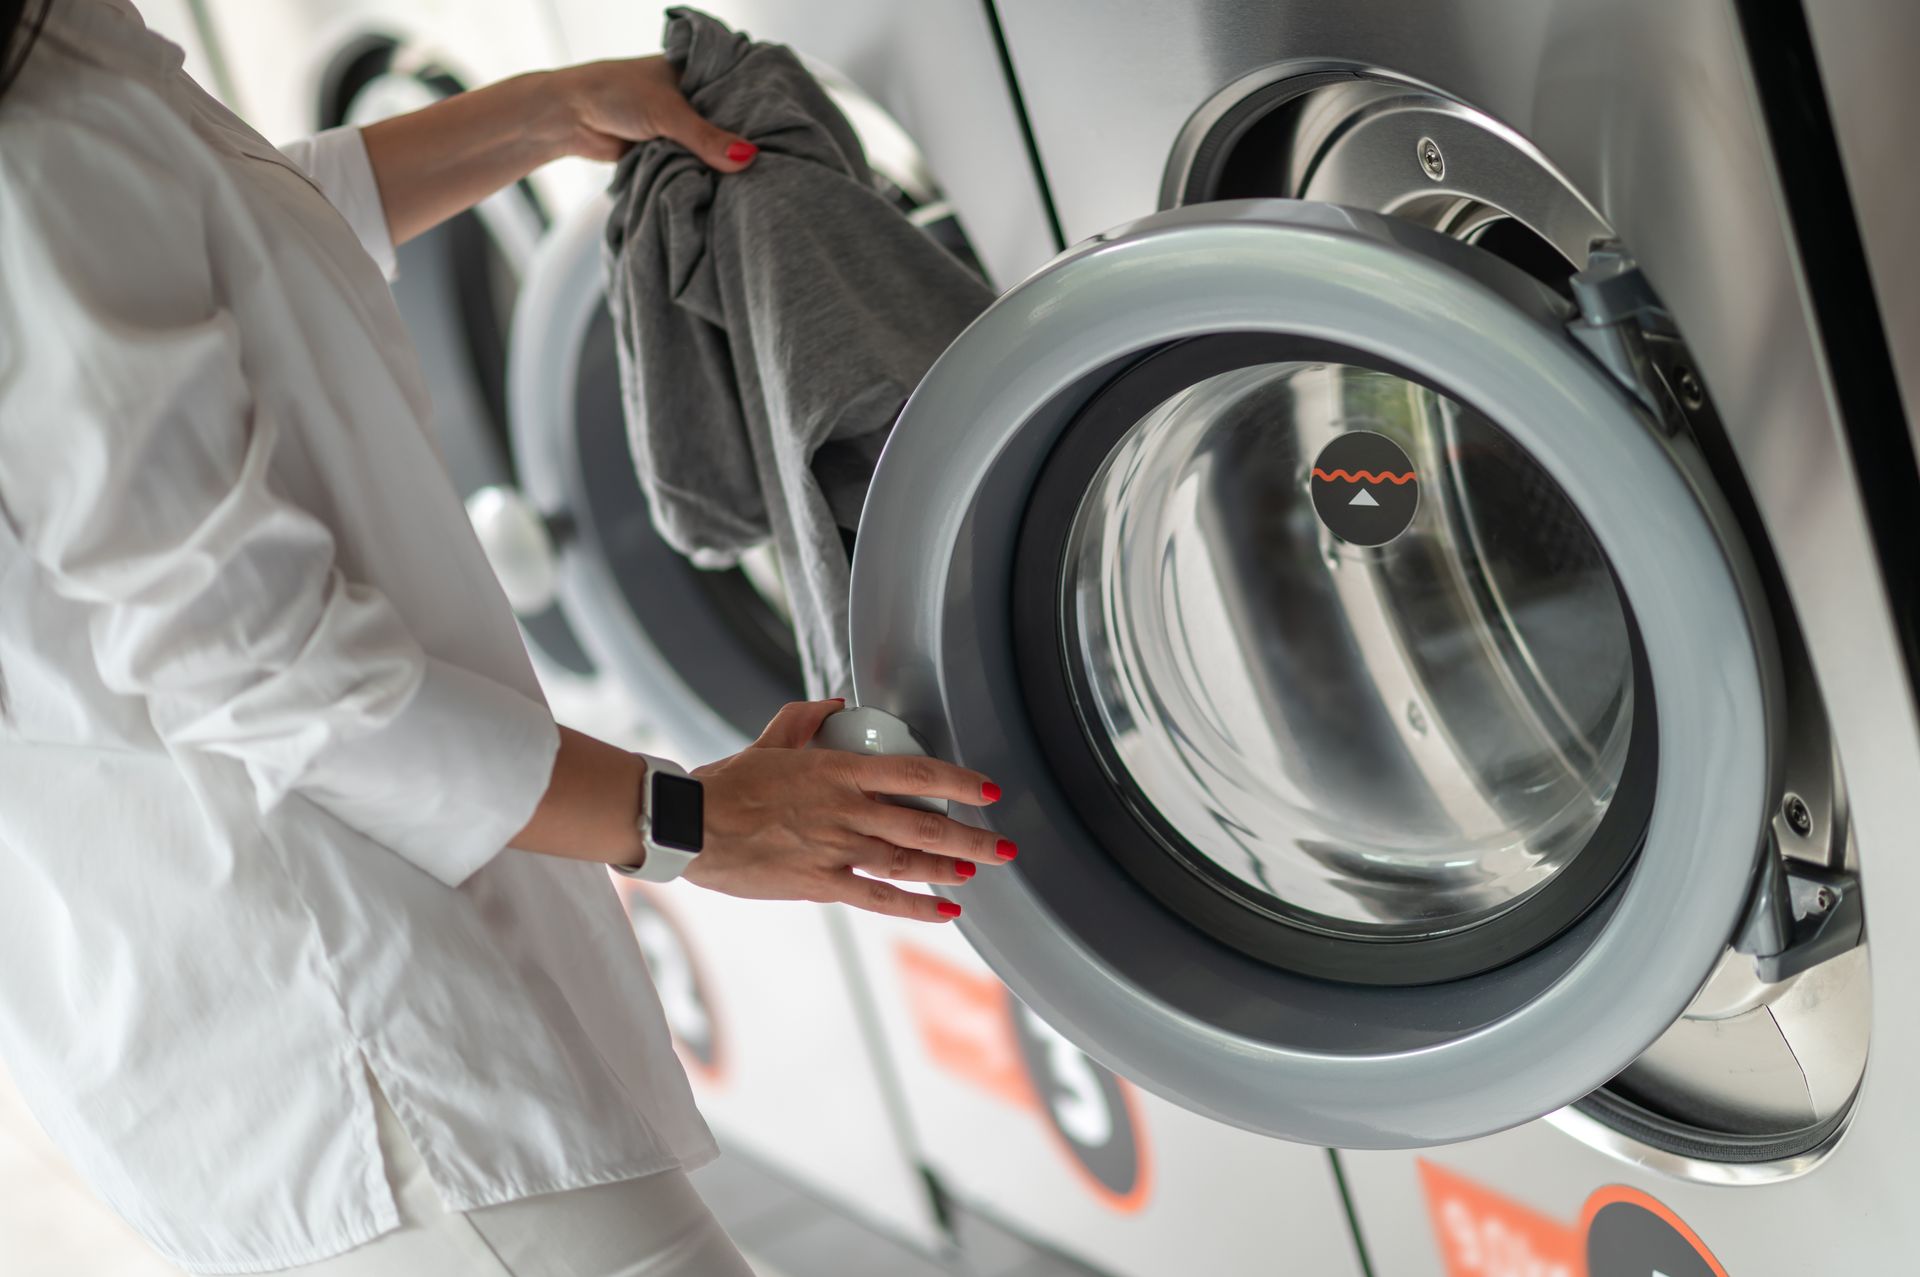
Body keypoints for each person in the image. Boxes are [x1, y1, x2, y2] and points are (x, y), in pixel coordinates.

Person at [0, 2, 1015, 1273]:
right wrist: (699, 823)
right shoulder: (33, 149)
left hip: (298, 1028)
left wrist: (543, 112)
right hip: (359, 1046)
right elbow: (273, 673)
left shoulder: (62, 76)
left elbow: (214, 239)